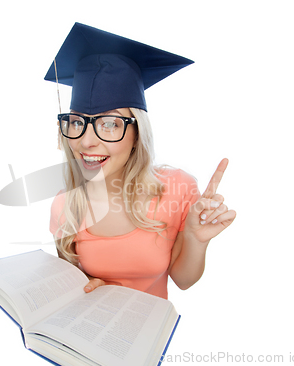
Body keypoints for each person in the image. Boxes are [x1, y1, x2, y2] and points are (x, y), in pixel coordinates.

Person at [46, 23, 236, 300]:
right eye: (76, 122)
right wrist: (86, 286)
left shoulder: (176, 188)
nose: (87, 141)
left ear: (137, 134)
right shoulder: (65, 205)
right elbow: (72, 285)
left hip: (150, 334)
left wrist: (195, 238)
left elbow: (183, 280)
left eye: (110, 123)